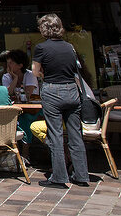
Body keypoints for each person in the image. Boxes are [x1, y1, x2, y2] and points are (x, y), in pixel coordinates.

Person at [32, 13, 90, 188]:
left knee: (56, 135)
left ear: (43, 29)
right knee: (75, 134)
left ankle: (59, 176)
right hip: (72, 90)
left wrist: (44, 74)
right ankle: (81, 175)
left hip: (52, 90)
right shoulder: (70, 47)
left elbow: (35, 71)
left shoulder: (41, 48)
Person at [1, 49, 40, 144]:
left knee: (25, 119)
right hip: (15, 110)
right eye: (8, 63)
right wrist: (15, 78)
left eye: (11, 63)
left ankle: (25, 150)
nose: (8, 65)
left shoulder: (30, 75)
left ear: (20, 65)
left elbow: (28, 94)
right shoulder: (6, 77)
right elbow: (7, 94)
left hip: (33, 109)